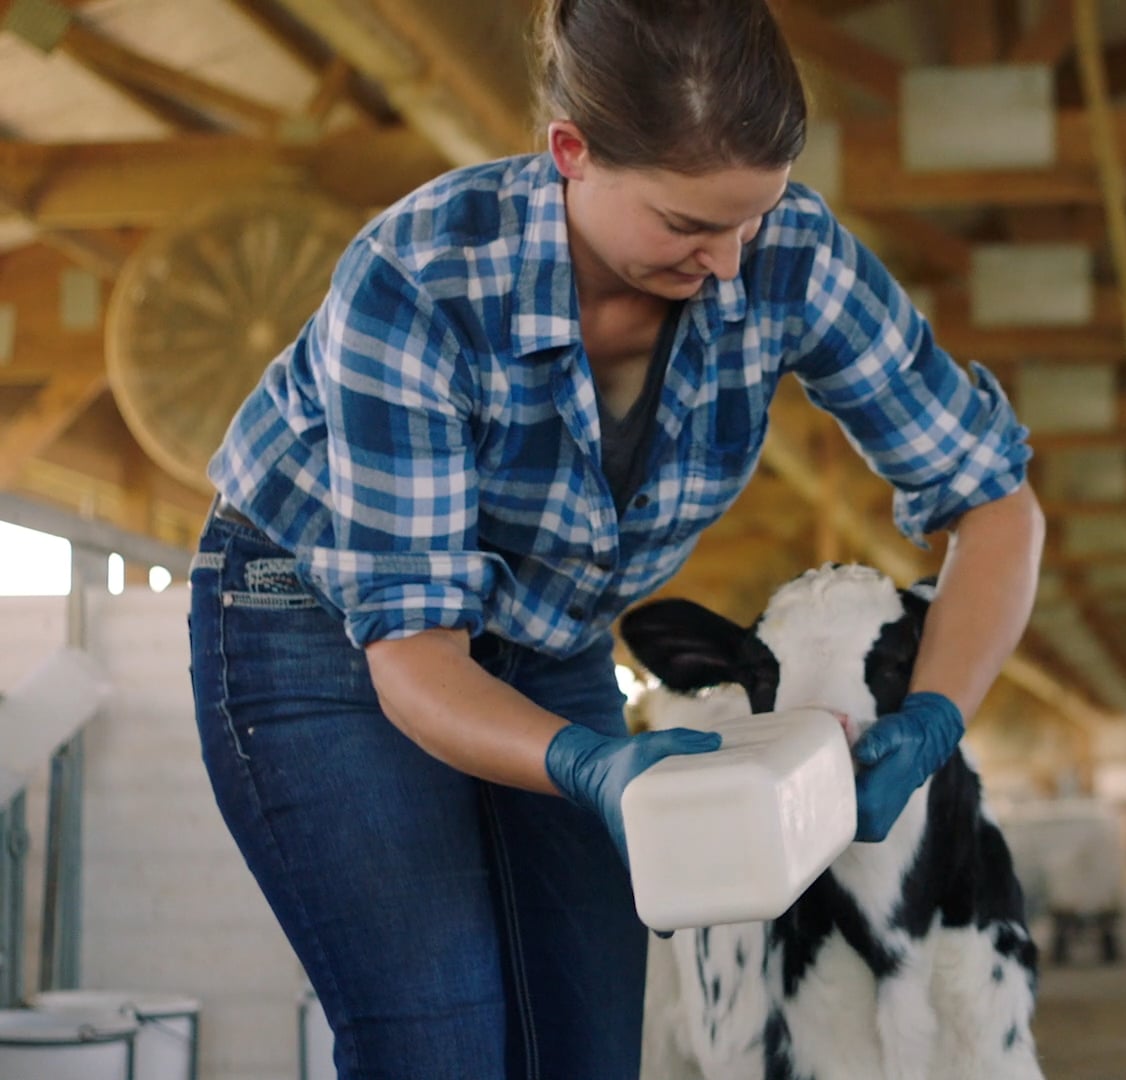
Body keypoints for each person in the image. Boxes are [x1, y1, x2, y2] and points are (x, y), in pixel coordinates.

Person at [183, 1, 1043, 1076]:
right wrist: (589, 764)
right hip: (328, 627)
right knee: (441, 1041)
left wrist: (934, 717)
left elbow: (996, 505)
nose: (730, 264)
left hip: (547, 632)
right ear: (570, 153)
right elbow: (413, 658)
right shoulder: (418, 279)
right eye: (688, 227)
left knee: (588, 1046)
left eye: (752, 218)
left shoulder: (791, 253)